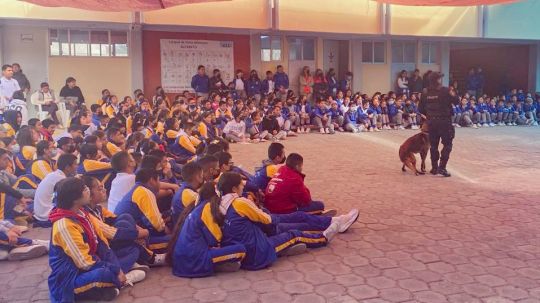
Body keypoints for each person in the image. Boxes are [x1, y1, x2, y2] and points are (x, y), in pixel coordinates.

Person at [219, 172, 346, 270]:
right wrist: (276, 218)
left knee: (290, 224)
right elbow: (267, 220)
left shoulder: (220, 203)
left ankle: (285, 246)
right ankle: (322, 239)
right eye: (241, 184)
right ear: (235, 189)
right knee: (294, 235)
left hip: (246, 247)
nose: (243, 186)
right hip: (258, 253)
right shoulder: (240, 203)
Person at [48, 177, 125, 302]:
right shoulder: (64, 225)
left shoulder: (81, 213)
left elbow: (100, 243)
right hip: (71, 276)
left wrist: (116, 267)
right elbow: (85, 263)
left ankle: (109, 286)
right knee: (103, 273)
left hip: (89, 262)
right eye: (84, 189)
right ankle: (122, 280)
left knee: (125, 254)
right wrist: (115, 269)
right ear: (74, 198)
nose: (88, 190)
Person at [167, 181, 246, 277]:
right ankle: (216, 265)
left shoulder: (197, 207)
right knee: (241, 249)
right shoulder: (207, 207)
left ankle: (219, 264)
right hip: (195, 262)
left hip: (183, 263)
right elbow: (215, 239)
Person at [81, 176, 150, 279]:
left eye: (103, 187)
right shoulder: (86, 214)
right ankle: (122, 276)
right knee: (134, 249)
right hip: (98, 254)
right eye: (100, 189)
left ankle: (130, 265)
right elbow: (112, 233)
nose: (104, 190)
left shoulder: (98, 208)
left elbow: (115, 218)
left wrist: (138, 229)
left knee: (125, 218)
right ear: (89, 195)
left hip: (107, 247)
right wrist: (141, 233)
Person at [114, 168, 170, 254]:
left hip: (131, 234)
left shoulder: (137, 189)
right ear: (151, 180)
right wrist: (167, 230)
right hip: (136, 241)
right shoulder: (144, 192)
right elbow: (158, 226)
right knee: (177, 239)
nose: (159, 184)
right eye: (158, 180)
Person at [265, 153, 334, 215]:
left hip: (270, 207)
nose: (301, 168)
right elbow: (306, 200)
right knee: (320, 205)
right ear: (297, 166)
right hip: (282, 211)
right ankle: (316, 216)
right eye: (301, 166)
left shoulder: (281, 170)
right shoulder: (294, 178)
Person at [418, 72, 460, 177]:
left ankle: (434, 168)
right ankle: (442, 168)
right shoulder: (445, 90)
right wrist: (454, 91)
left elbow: (420, 109)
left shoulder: (425, 92)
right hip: (445, 122)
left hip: (431, 122)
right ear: (437, 80)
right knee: (447, 144)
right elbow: (456, 101)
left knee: (433, 145)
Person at [33, 153, 78, 227]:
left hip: (41, 213)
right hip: (46, 215)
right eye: (75, 164)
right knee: (76, 202)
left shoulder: (54, 175)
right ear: (67, 167)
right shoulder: (60, 178)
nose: (77, 167)